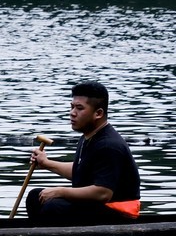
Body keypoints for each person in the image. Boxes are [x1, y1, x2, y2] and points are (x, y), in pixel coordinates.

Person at [26, 81, 141, 225]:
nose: (72, 113)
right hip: (99, 207)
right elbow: (80, 170)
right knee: (35, 197)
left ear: (98, 113)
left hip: (118, 213)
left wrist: (60, 191)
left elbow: (103, 193)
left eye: (79, 108)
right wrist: (46, 163)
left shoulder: (109, 145)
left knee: (53, 207)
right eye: (72, 107)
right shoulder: (88, 136)